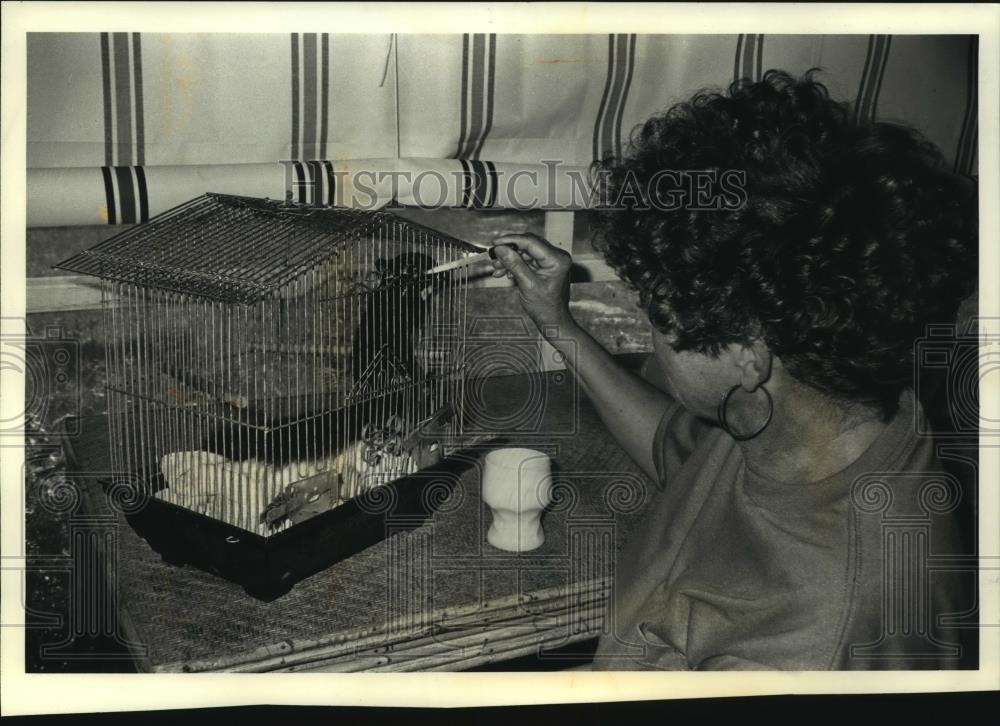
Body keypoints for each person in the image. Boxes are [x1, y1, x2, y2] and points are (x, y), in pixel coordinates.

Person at [482, 70, 977, 670]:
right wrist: (556, 323)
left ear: (746, 352)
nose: (651, 337)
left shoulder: (809, 647)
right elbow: (684, 456)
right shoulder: (822, 410)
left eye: (655, 315)